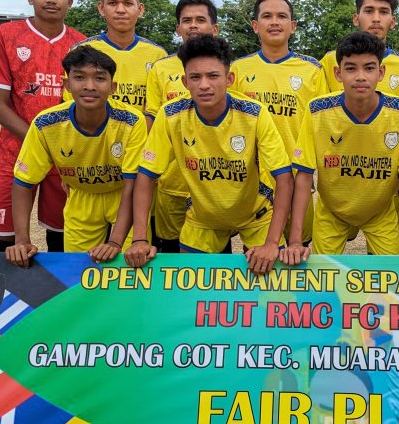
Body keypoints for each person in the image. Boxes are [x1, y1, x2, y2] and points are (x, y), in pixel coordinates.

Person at [125, 35, 292, 275]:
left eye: (213, 76)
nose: (204, 85)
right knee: (191, 294)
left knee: (269, 292)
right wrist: (139, 238)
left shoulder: (255, 114)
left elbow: (284, 178)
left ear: (229, 79)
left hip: (257, 215)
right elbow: (146, 176)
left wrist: (272, 243)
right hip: (202, 219)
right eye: (195, 77)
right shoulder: (170, 115)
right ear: (184, 81)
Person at [280, 32, 399, 264]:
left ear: (381, 72)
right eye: (351, 68)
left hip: (380, 212)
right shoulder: (317, 111)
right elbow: (303, 177)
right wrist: (295, 241)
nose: (361, 76)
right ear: (338, 73)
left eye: (369, 68)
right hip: (331, 212)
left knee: (390, 278)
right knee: (324, 275)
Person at [6, 46, 146, 267]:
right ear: (66, 85)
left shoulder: (131, 121)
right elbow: (24, 182)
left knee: (128, 266)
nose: (89, 86)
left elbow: (133, 186)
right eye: (79, 77)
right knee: (80, 269)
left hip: (123, 196)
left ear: (113, 87)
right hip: (81, 197)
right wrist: (22, 240)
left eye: (100, 78)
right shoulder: (46, 124)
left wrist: (115, 243)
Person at [0, 0, 86, 253]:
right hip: (15, 155)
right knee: (3, 240)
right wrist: (40, 142)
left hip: (64, 158)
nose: (51, 0)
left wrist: (56, 149)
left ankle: (61, 300)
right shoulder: (5, 36)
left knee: (62, 238)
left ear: (70, 0)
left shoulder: (81, 44)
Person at [230, 0, 326, 246]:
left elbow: (324, 125)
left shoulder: (312, 69)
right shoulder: (237, 70)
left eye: (282, 16)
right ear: (255, 26)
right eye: (267, 16)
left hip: (297, 177)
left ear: (292, 26)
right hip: (254, 180)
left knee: (298, 249)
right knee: (259, 255)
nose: (274, 22)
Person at [145, 0, 219, 253]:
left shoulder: (227, 68)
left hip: (215, 183)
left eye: (201, 19)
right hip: (171, 184)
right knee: (170, 255)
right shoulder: (160, 69)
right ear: (178, 29)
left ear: (214, 28)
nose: (193, 26)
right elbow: (151, 123)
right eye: (186, 20)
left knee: (214, 259)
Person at [67, 0, 166, 115]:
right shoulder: (81, 51)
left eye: (128, 3)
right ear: (102, 8)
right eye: (113, 3)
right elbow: (72, 103)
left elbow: (158, 109)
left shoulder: (158, 55)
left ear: (140, 9)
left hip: (143, 135)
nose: (120, 10)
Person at [320, 0, 399, 111]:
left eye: (383, 12)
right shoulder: (329, 61)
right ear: (356, 18)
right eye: (369, 11)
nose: (376, 19)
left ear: (392, 21)